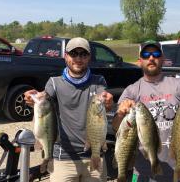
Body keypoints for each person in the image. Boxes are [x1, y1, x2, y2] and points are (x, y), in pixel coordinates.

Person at [112, 41, 180, 182]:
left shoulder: (179, 84)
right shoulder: (131, 91)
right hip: (144, 172)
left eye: (156, 54)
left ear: (162, 58)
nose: (151, 58)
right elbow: (116, 127)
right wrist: (120, 113)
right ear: (140, 61)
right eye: (146, 54)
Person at [24, 37, 113, 182]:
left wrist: (108, 101)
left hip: (93, 155)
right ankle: (48, 159)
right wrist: (33, 98)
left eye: (83, 54)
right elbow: (45, 97)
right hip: (63, 157)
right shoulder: (54, 82)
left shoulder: (99, 81)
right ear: (66, 57)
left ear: (89, 57)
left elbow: (104, 99)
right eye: (74, 54)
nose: (78, 58)